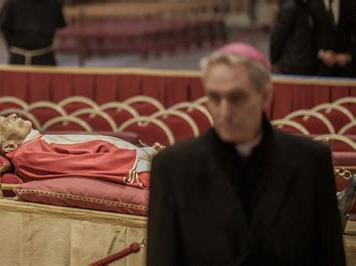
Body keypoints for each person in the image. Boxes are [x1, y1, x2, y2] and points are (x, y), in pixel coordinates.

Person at [146, 43, 346, 265]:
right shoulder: (173, 167)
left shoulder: (311, 161)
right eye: (214, 98)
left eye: (236, 98)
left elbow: (330, 257)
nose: (224, 112)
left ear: (266, 95)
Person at [0, 114, 162, 189]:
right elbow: (85, 166)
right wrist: (143, 159)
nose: (12, 116)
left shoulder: (35, 143)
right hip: (136, 168)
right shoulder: (27, 155)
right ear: (8, 146)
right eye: (4, 124)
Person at [0, 0, 67, 66]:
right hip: (19, 58)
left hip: (45, 59)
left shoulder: (52, 3)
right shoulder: (12, 3)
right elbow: (4, 26)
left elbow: (59, 24)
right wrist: (12, 46)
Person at [308, 0, 356, 77]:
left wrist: (349, 56)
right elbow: (308, 37)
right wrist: (321, 54)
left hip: (347, 70)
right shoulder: (313, 5)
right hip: (321, 69)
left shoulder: (350, 4)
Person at [270, 0, 315, 75]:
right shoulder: (305, 5)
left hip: (291, 62)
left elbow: (278, 36)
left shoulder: (289, 6)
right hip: (305, 60)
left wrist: (273, 59)